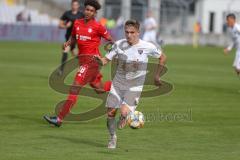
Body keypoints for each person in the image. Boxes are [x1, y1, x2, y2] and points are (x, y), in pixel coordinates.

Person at [96, 19, 167, 149]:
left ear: (138, 32)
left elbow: (163, 57)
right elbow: (106, 60)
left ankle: (125, 116)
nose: (129, 35)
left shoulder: (147, 46)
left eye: (132, 32)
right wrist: (98, 61)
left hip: (135, 85)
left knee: (123, 111)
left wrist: (157, 75)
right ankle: (112, 137)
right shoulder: (118, 44)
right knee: (111, 113)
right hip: (118, 83)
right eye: (126, 32)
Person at [43, 0, 113, 127]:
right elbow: (74, 36)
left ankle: (59, 119)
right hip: (83, 62)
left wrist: (107, 56)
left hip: (92, 64)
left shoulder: (98, 27)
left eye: (92, 11)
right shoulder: (77, 23)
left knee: (75, 87)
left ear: (95, 13)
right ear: (83, 10)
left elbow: (112, 42)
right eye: (87, 9)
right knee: (100, 90)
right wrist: (68, 43)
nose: (88, 12)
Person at [58, 0, 84, 76]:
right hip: (68, 37)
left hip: (77, 37)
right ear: (71, 5)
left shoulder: (81, 15)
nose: (74, 6)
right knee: (75, 54)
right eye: (73, 5)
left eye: (76, 5)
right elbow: (60, 25)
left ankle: (61, 70)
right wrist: (66, 26)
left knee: (65, 50)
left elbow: (86, 24)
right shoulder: (67, 14)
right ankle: (83, 68)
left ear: (78, 6)